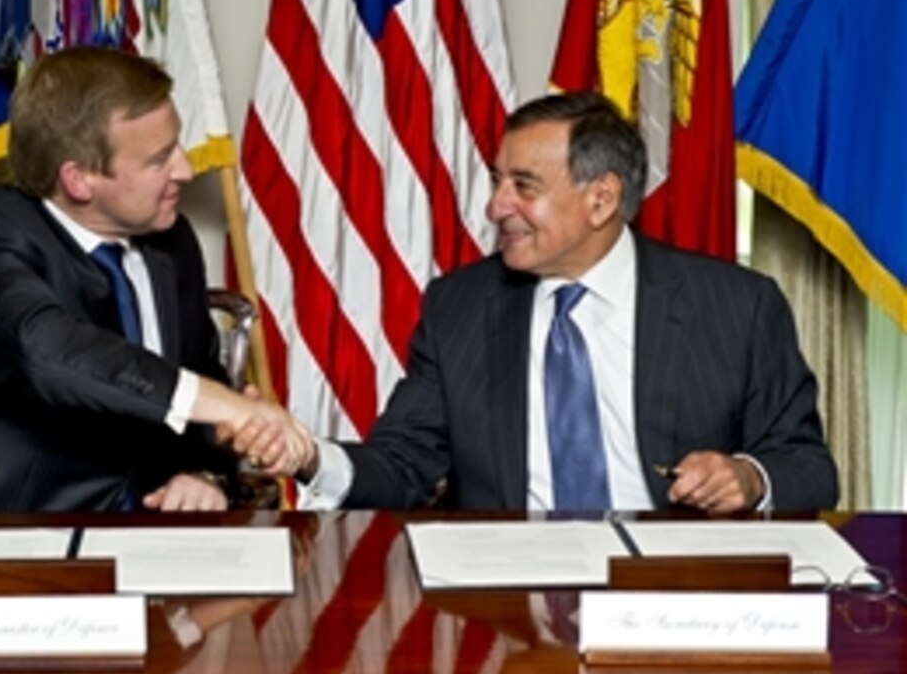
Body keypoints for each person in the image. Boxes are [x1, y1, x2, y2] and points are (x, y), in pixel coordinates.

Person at [238, 91, 839, 513]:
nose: (496, 207)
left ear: (601, 199)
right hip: (509, 609)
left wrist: (748, 478)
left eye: (523, 187)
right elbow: (401, 466)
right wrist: (312, 456)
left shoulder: (737, 306)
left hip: (673, 592)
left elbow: (809, 469)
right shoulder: (461, 308)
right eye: (497, 181)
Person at [0, 46, 307, 512]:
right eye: (159, 159)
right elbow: (43, 350)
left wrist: (201, 472)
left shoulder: (170, 242)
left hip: (155, 545)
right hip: (17, 549)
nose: (186, 170)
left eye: (178, 145)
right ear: (79, 180)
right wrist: (224, 405)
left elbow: (200, 382)